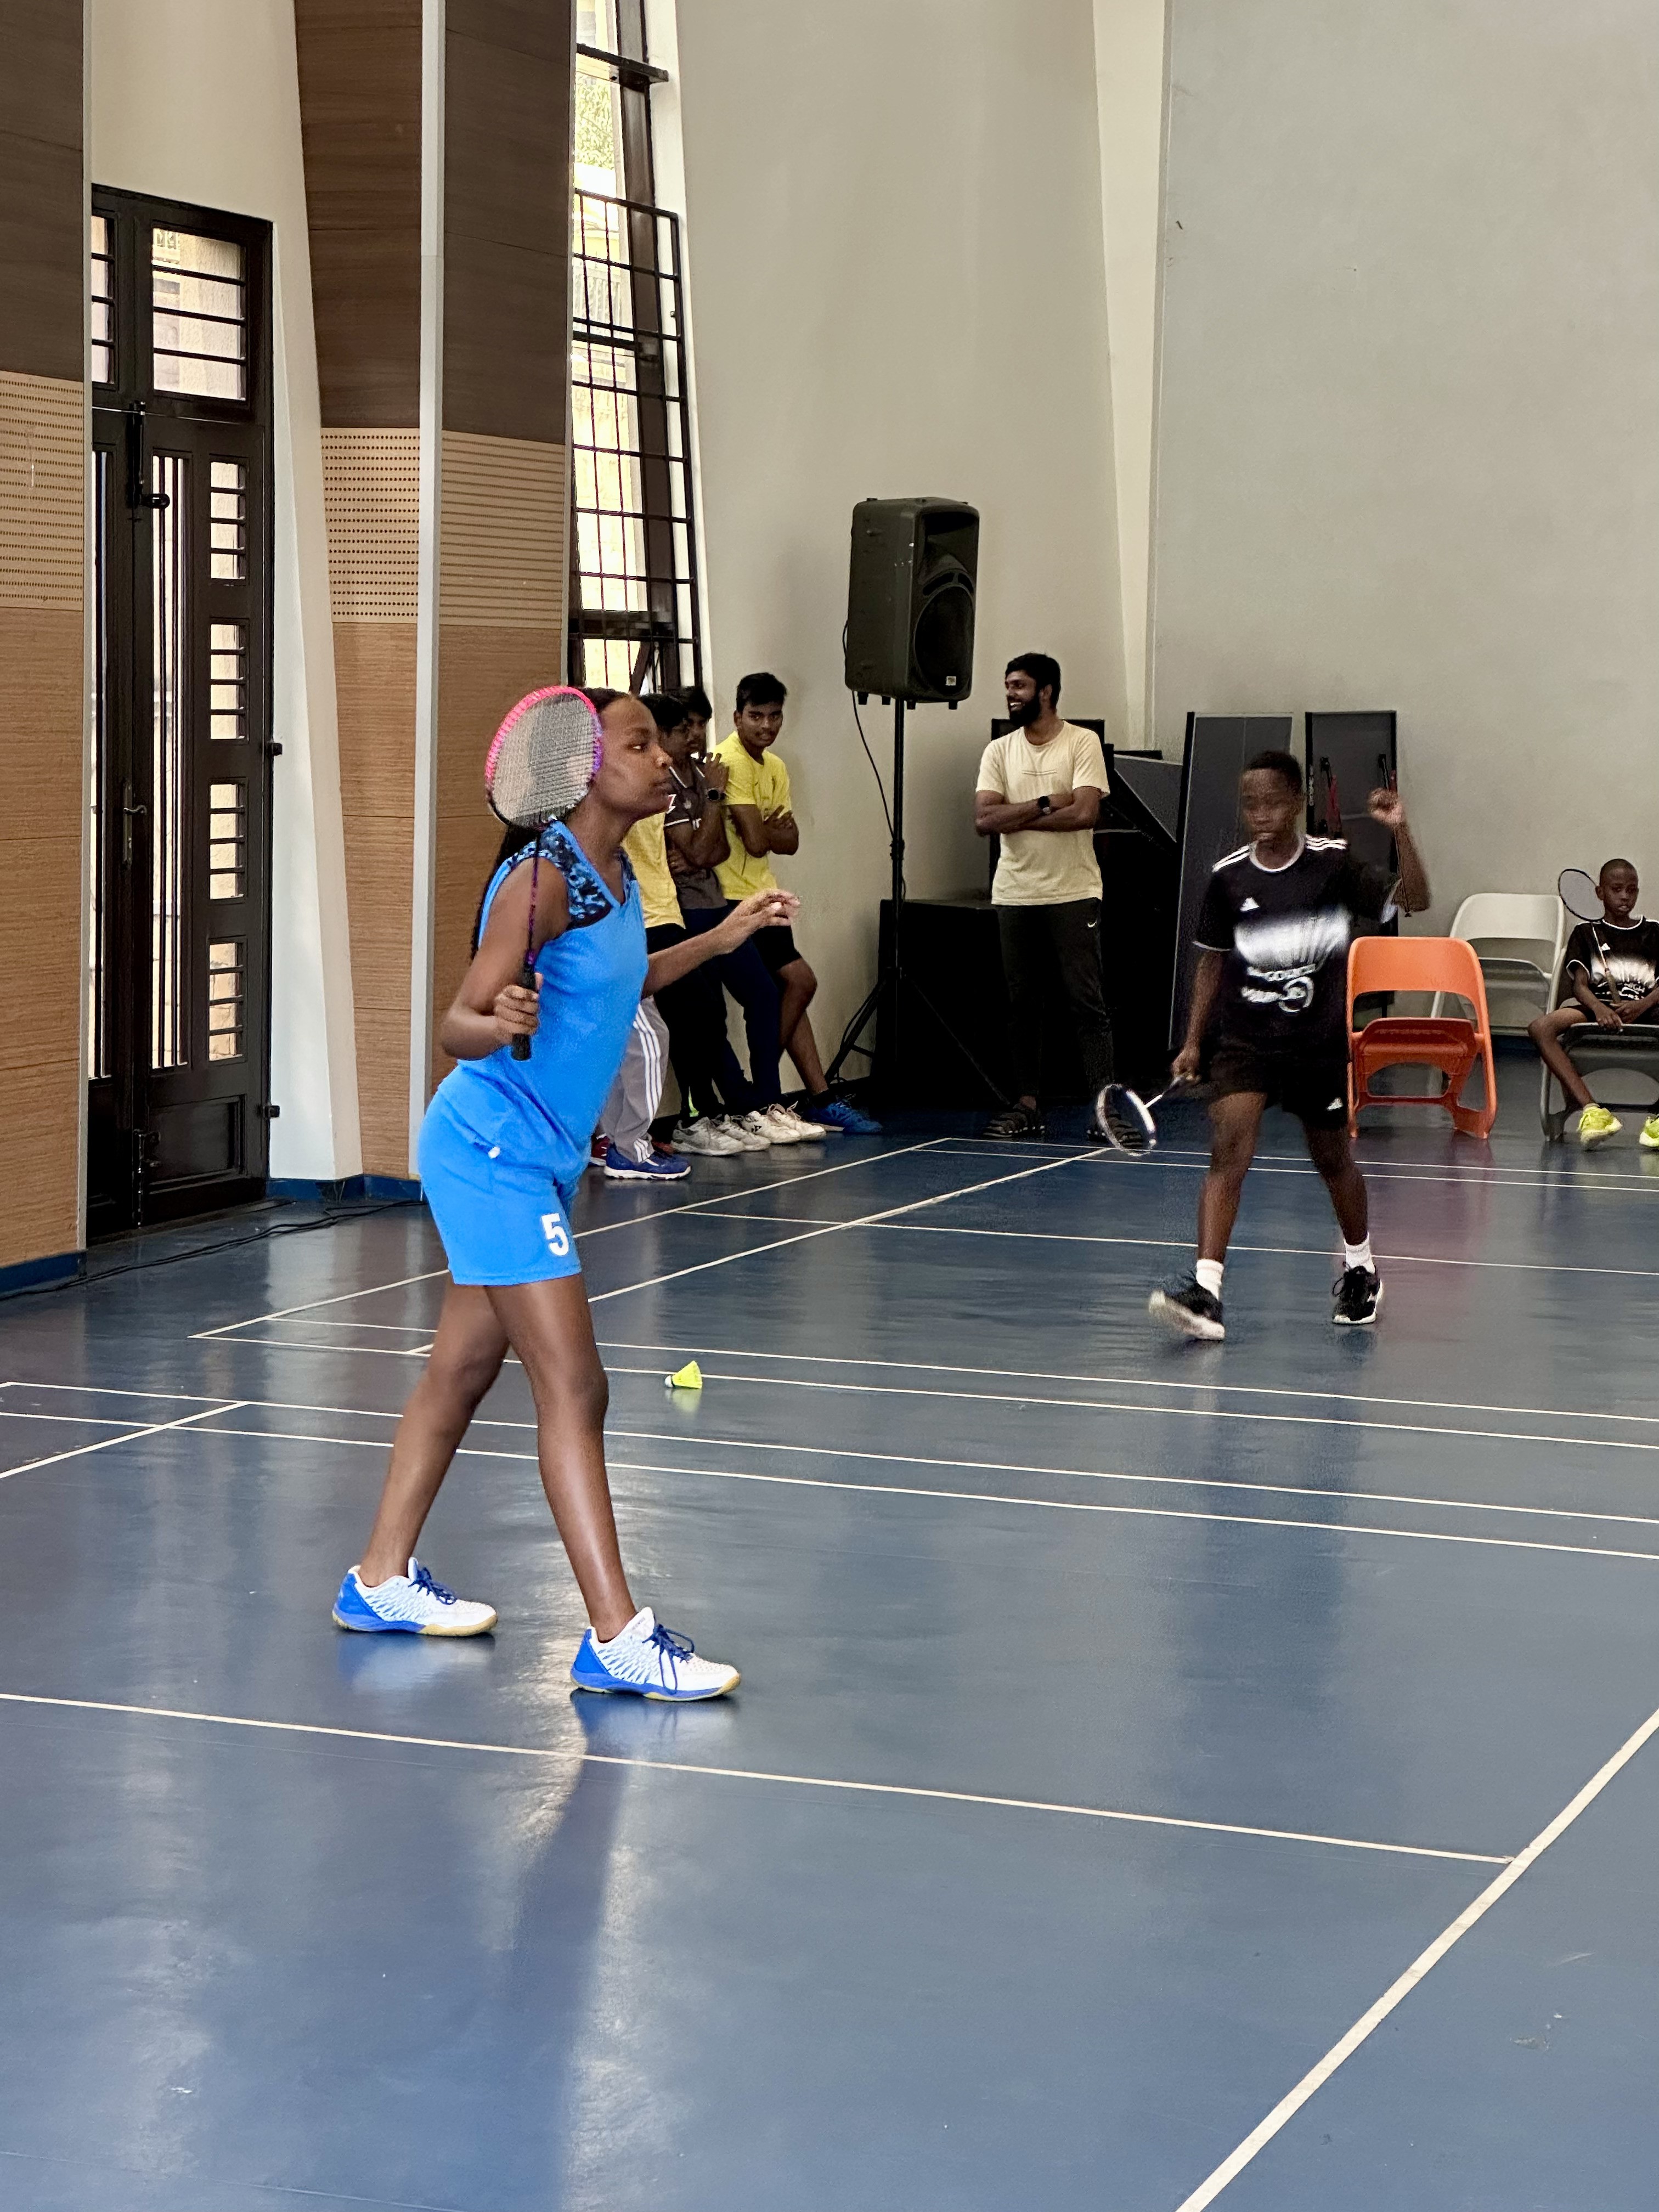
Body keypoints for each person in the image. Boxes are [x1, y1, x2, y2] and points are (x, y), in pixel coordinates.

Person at [331, 687, 797, 1697]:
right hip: (488, 1150)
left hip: (536, 1157)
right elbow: (453, 1022)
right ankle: (615, 1635)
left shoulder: (614, 870)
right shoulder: (536, 880)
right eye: (637, 744)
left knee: (458, 1373)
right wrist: (494, 1017)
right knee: (576, 1386)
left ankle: (376, 1580)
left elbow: (618, 983)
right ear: (582, 770)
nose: (662, 759)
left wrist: (722, 941)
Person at [1149, 749, 1429, 1339]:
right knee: (1228, 1154)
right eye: (1250, 804)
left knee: (1333, 1162)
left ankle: (1361, 1269)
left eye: (1273, 801)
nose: (1261, 814)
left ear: (1297, 801)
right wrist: (1193, 1040)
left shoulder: (1332, 866)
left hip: (1315, 1045)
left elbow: (1416, 899)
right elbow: (1211, 963)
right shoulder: (1228, 877)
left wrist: (1401, 829)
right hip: (1244, 1042)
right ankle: (1207, 1292)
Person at [713, 670, 882, 1135]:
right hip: (731, 901)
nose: (766, 726)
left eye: (774, 716)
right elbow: (755, 839)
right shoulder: (728, 760)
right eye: (756, 716)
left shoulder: (777, 767)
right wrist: (770, 830)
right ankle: (761, 1098)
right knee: (796, 984)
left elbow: (790, 841)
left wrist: (770, 833)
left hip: (767, 895)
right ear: (738, 717)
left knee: (794, 991)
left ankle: (818, 1097)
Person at [650, 689, 810, 1152]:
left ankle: (762, 1102)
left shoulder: (702, 775)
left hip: (714, 900)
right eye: (687, 727)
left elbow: (714, 853)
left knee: (762, 994)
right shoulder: (679, 784)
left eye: (700, 724)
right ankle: (720, 1108)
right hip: (682, 911)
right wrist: (714, 808)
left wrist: (704, 834)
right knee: (705, 1014)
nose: (697, 735)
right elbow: (707, 848)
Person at [973, 653, 1115, 1139]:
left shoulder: (1082, 743)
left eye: (1020, 686)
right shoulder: (999, 751)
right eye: (1008, 685)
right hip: (1015, 892)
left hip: (1073, 891)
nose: (1011, 694)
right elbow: (984, 821)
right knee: (1022, 1004)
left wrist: (1020, 815)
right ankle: (1028, 1104)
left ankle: (1103, 1109)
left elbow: (1084, 814)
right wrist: (1043, 802)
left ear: (1047, 691)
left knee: (1085, 1003)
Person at [1528, 857, 1659, 1148]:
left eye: (1632, 890)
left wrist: (1641, 1005)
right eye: (1617, 889)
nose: (1625, 896)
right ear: (1600, 893)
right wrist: (1599, 1009)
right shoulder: (1586, 934)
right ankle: (1593, 1111)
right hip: (1595, 1008)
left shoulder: (1654, 932)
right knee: (1541, 1028)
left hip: (1647, 1009)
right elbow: (1580, 985)